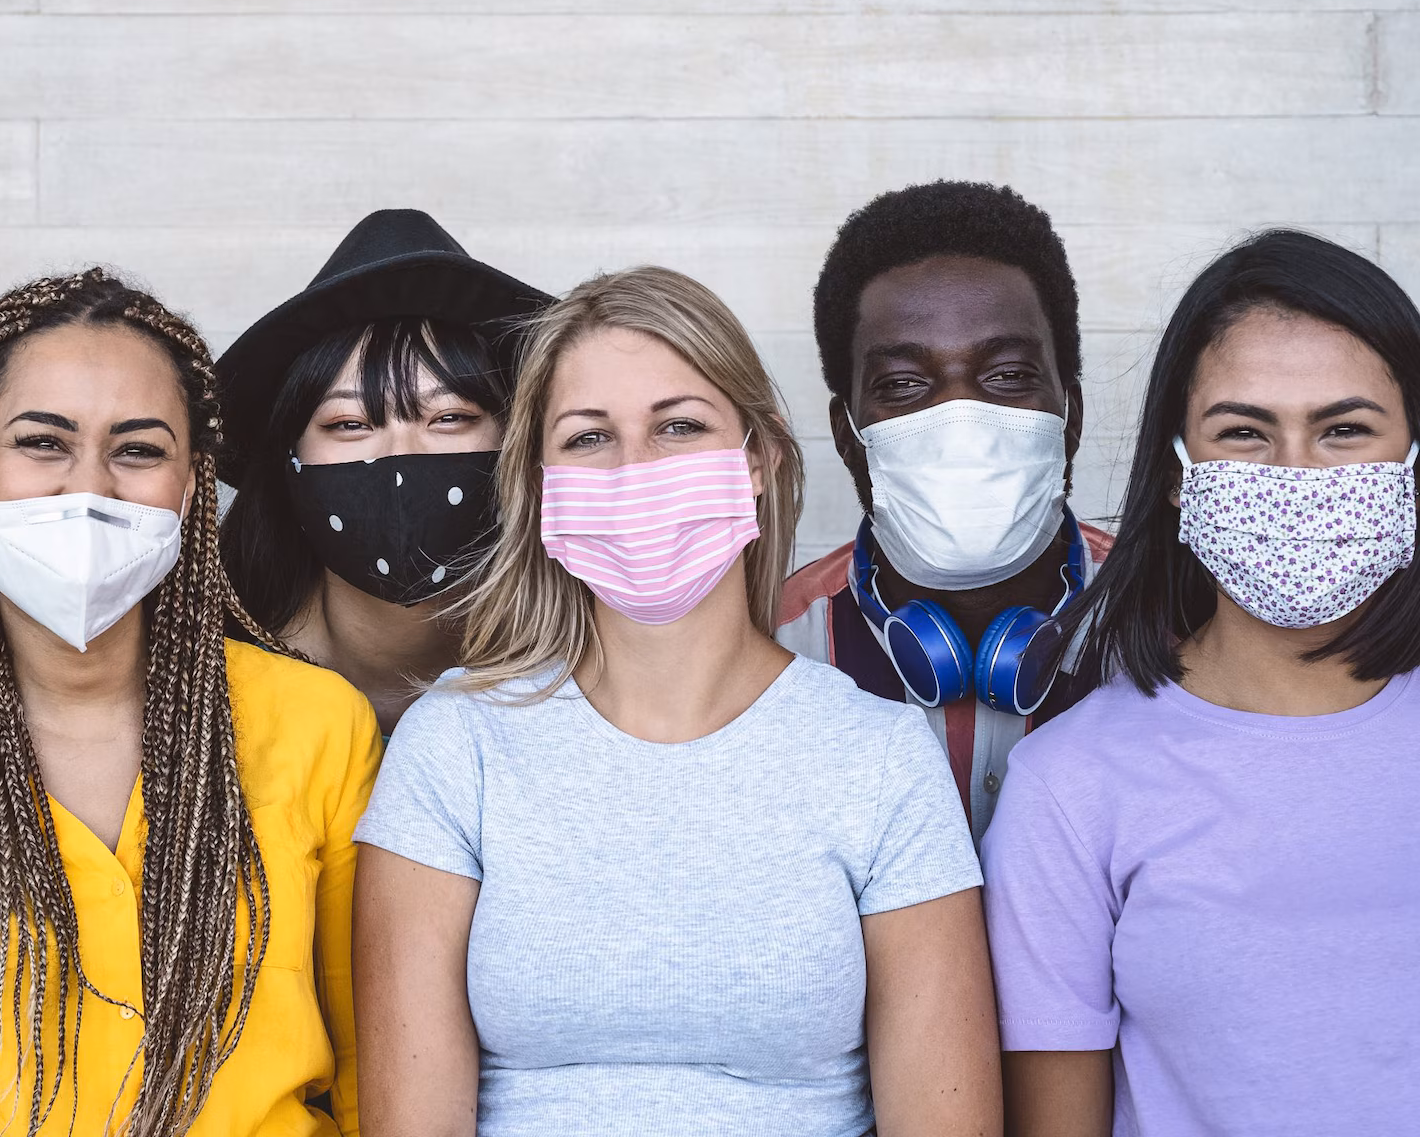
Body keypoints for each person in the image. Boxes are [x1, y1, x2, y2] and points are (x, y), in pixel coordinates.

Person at [353, 266, 999, 1136]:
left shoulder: (879, 756)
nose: (634, 468)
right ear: (542, 483)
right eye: (588, 438)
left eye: (679, 427)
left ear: (761, 459)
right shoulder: (455, 744)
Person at [0, 269, 382, 1137]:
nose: (88, 485)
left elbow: (373, 1071)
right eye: (42, 442)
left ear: (190, 485)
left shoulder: (319, 725)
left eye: (138, 450)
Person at [986, 230, 1420, 1136]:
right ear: (1179, 472)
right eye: (1243, 432)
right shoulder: (1071, 785)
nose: (1295, 473)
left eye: (1345, 429)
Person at [779, 181, 1112, 842]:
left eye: (1009, 375)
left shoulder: (1179, 625)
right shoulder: (773, 650)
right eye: (902, 385)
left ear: (1069, 416)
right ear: (848, 438)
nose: (959, 419)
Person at [217, 209, 550, 733]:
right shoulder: (214, 687)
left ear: (519, 445)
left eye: (450, 418)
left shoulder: (578, 678)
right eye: (349, 423)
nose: (401, 455)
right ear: (288, 458)